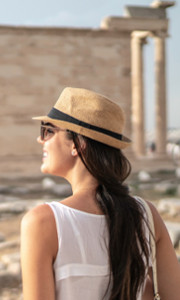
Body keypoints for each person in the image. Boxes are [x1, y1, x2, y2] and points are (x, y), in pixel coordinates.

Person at [20, 87, 180, 300]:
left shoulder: (42, 222)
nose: (41, 139)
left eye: (48, 130)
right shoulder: (147, 215)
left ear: (78, 143)